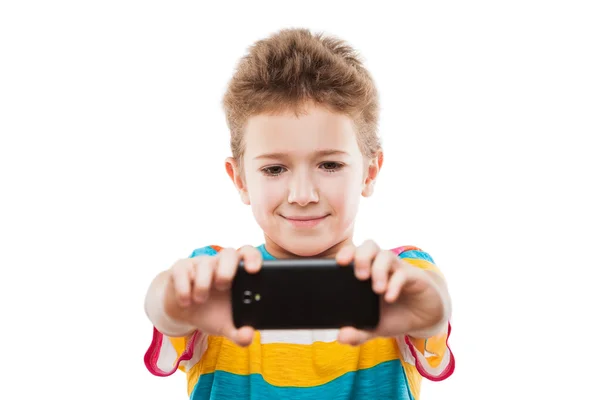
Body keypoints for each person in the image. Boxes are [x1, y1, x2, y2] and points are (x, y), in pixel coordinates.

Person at [143, 27, 455, 400]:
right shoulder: (213, 277)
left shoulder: (398, 276)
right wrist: (168, 299)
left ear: (369, 171)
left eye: (330, 165)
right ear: (240, 179)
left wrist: (428, 306)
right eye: (274, 169)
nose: (303, 195)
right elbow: (164, 307)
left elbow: (433, 305)